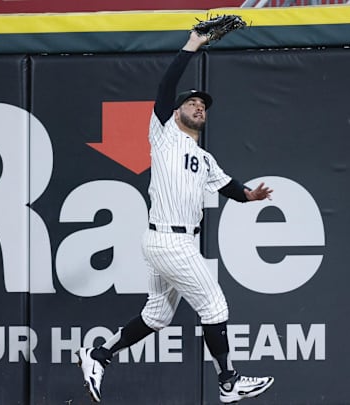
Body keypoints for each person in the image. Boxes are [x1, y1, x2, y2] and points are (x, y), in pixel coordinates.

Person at [75, 30, 275, 404]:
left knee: (157, 315)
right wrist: (192, 46)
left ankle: (99, 355)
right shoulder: (164, 134)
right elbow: (166, 88)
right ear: (177, 111)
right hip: (170, 240)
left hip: (170, 241)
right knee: (214, 306)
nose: (199, 107)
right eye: (193, 103)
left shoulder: (205, 158)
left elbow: (232, 188)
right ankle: (228, 381)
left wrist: (251, 195)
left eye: (203, 105)